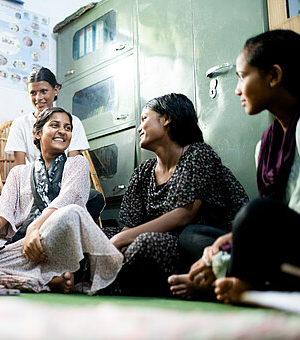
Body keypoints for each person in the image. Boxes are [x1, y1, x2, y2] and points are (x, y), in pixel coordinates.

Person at [176, 30, 300, 304]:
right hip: (282, 246)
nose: (236, 89)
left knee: (256, 212)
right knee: (194, 235)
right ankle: (230, 274)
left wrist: (240, 242)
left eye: (243, 77)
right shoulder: (266, 145)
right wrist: (229, 243)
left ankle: (234, 281)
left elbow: (278, 219)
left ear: (274, 76)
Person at [0, 107, 122, 294]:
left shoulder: (76, 163)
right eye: (55, 125)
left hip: (48, 242)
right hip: (17, 248)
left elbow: (70, 199)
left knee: (71, 213)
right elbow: (4, 208)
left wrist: (35, 229)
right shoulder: (19, 173)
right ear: (37, 133)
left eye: (67, 128)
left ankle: (2, 271)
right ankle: (43, 275)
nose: (62, 131)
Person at [104, 93, 248, 296]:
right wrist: (118, 241)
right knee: (99, 236)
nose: (139, 127)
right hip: (158, 239)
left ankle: (105, 281)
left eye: (145, 118)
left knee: (146, 243)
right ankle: (109, 279)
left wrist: (121, 240)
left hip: (197, 245)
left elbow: (184, 215)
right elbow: (131, 225)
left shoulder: (198, 154)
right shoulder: (143, 172)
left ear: (166, 119)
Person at [5, 67, 104, 221]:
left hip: (63, 185)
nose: (38, 98)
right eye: (33, 93)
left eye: (44, 91)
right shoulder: (20, 124)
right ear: (37, 133)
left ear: (56, 90)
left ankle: (62, 231)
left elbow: (73, 163)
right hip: (32, 187)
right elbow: (19, 168)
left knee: (95, 198)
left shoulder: (73, 122)